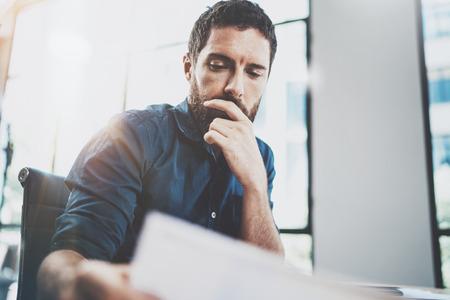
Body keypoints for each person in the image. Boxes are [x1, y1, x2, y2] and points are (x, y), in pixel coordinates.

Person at [38, 0, 284, 299]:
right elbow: (66, 260)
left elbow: (265, 282)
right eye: (219, 65)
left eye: (254, 73)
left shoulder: (262, 157)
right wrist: (84, 281)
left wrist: (255, 185)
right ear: (188, 67)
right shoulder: (132, 135)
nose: (236, 87)